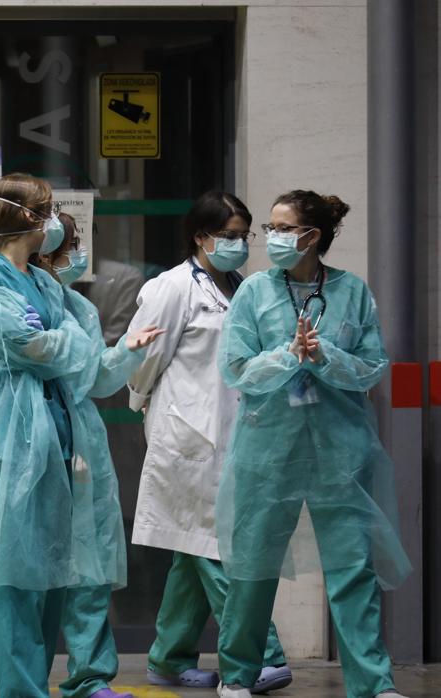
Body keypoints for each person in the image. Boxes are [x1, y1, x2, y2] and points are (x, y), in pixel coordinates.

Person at [215, 191, 411, 698]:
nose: (272, 238)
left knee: (351, 570)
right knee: (253, 568)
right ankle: (237, 675)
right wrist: (288, 355)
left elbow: (372, 366)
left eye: (283, 228)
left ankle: (372, 684)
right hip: (267, 448)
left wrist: (325, 358)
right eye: (271, 228)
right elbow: (236, 369)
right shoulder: (255, 292)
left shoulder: (352, 292)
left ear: (311, 236)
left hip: (339, 449)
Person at [0, 175, 124, 698]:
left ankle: (22, 679)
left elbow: (76, 343)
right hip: (13, 426)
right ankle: (20, 689)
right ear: (27, 219)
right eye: (47, 211)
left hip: (54, 423)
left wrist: (81, 345)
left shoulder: (42, 281)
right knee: (18, 567)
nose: (53, 221)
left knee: (51, 564)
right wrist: (69, 343)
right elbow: (31, 345)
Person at [124, 191, 292, 693]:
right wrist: (143, 406)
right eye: (228, 237)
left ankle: (169, 659)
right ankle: (259, 655)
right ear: (199, 237)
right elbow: (144, 358)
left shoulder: (244, 287)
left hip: (236, 436)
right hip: (187, 437)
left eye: (245, 236)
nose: (239, 245)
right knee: (219, 551)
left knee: (190, 549)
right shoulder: (172, 288)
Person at [33, 213, 164, 698]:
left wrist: (127, 350)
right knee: (26, 565)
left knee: (87, 563)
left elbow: (94, 378)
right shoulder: (9, 298)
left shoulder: (79, 308)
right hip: (32, 435)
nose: (78, 256)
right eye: (70, 246)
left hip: (82, 438)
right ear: (42, 251)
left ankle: (89, 678)